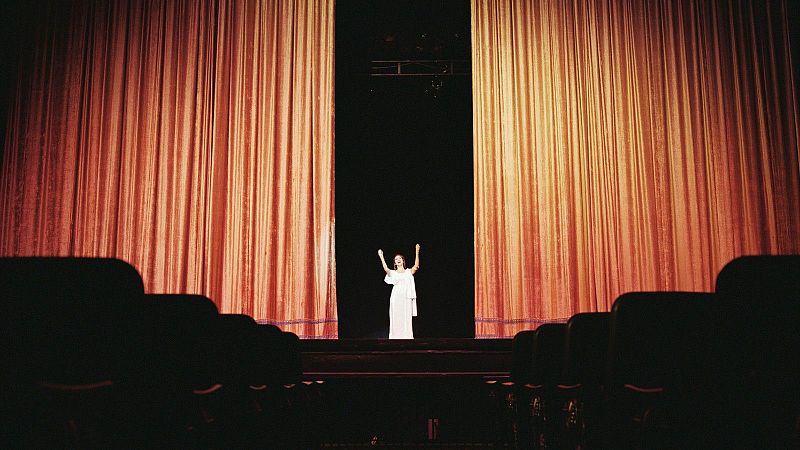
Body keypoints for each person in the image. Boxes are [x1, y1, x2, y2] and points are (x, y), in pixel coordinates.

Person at [377, 243, 420, 339]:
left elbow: (416, 266)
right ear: (395, 263)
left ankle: (407, 337)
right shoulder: (393, 273)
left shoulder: (408, 272)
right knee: (396, 317)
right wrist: (381, 256)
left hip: (406, 297)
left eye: (400, 258)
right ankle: (395, 337)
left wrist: (417, 251)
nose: (398, 260)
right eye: (396, 259)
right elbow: (386, 269)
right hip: (396, 297)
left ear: (403, 261)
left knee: (406, 317)